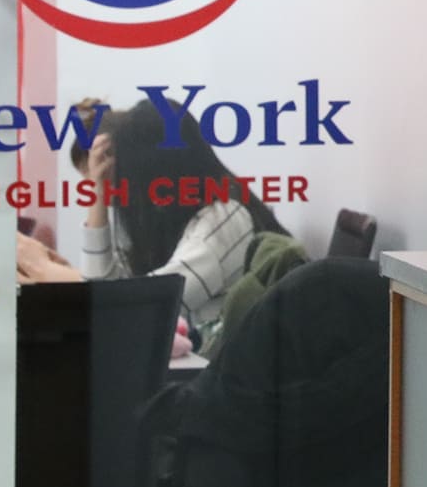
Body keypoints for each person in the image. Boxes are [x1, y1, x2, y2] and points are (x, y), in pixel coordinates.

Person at [28, 99, 290, 333]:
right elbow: (106, 289)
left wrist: (42, 269)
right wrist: (97, 194)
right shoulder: (162, 220)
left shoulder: (224, 216)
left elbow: (142, 307)